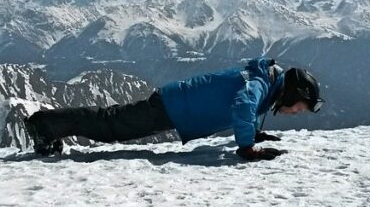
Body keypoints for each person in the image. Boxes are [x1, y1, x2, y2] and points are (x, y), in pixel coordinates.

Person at [23, 57, 323, 161]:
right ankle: (44, 125)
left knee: (113, 124)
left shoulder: (264, 84)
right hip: (172, 107)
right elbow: (243, 105)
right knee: (111, 125)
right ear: (290, 93)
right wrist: (247, 148)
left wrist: (254, 136)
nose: (297, 112)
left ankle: (49, 126)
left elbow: (248, 106)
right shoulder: (260, 83)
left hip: (176, 106)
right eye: (299, 106)